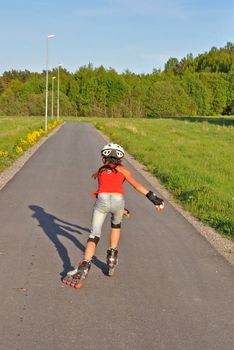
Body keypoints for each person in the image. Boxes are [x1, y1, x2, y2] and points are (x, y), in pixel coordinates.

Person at [63, 143, 164, 288]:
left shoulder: (101, 170)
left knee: (94, 235)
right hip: (118, 201)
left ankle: (84, 266)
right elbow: (136, 186)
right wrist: (153, 198)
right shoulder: (124, 170)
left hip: (102, 200)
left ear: (105, 159)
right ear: (121, 159)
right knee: (115, 225)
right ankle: (112, 255)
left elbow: (106, 189)